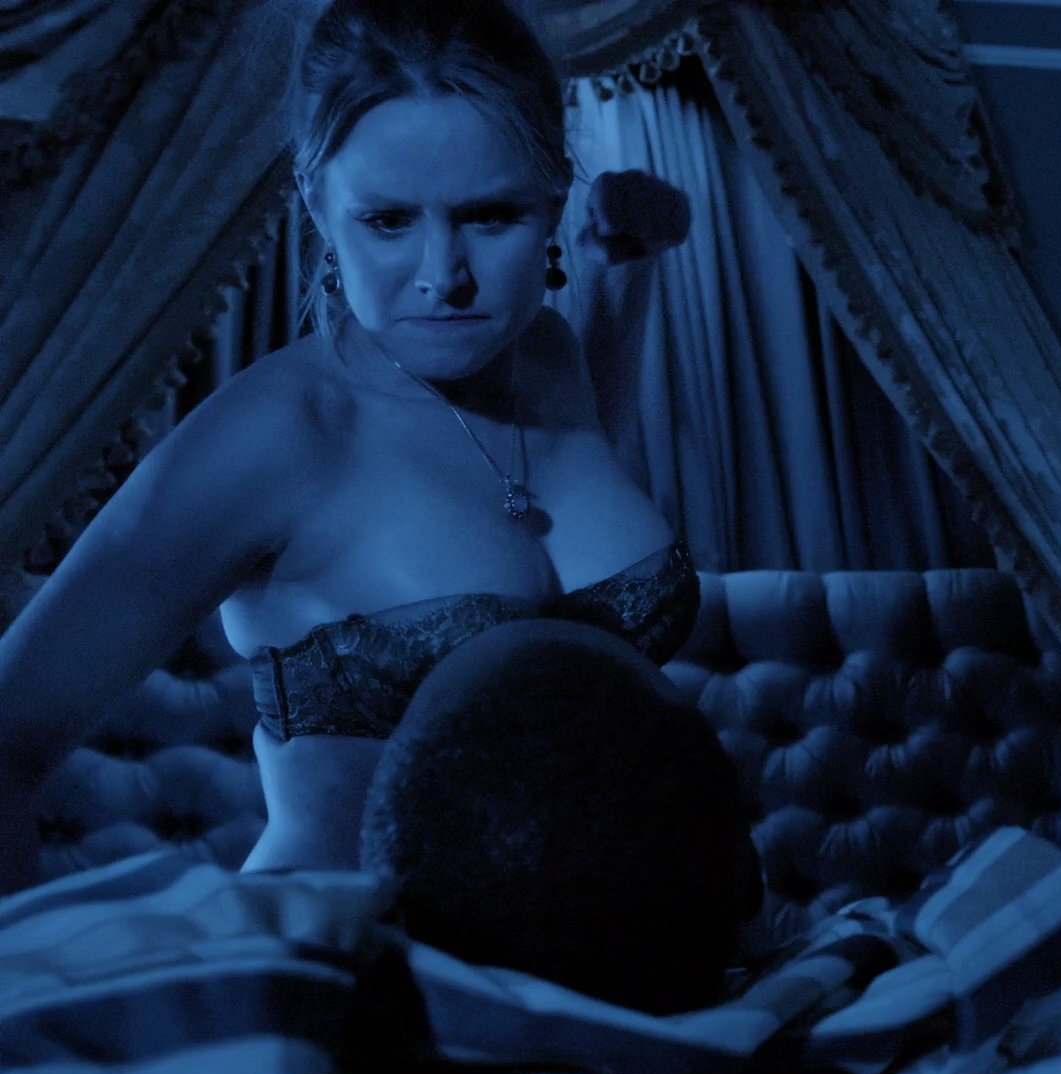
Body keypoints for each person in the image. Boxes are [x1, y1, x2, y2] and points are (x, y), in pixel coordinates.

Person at [0, 0, 758, 1005]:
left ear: (553, 197)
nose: (444, 278)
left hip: (621, 995)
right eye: (389, 220)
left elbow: (550, 540)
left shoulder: (545, 355)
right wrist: (26, 1008)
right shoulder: (280, 431)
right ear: (318, 204)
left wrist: (625, 285)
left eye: (491, 216)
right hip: (352, 1004)